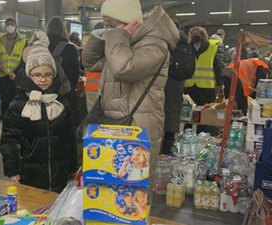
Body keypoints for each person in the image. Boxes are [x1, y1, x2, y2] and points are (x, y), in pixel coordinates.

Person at [82, 0, 179, 202]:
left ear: (128, 20)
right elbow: (90, 62)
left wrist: (117, 35)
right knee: (108, 192)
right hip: (112, 124)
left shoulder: (155, 43)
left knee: (133, 196)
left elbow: (123, 68)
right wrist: (103, 35)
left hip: (137, 128)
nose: (108, 29)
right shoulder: (123, 41)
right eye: (105, 24)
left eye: (111, 24)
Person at [0, 31, 77, 193]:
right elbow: (9, 141)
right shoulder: (19, 104)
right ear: (29, 75)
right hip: (29, 175)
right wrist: (13, 170)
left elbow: (70, 138)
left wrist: (72, 168)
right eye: (38, 75)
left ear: (54, 75)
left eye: (48, 74)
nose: (43, 79)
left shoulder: (61, 103)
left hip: (59, 174)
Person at [162, 20, 195, 155]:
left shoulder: (167, 41)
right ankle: (166, 153)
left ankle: (158, 154)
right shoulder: (185, 43)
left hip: (164, 83)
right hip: (177, 86)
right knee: (171, 119)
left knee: (159, 119)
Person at [46, 16, 81, 126]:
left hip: (45, 92)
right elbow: (76, 72)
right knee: (68, 123)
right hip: (65, 92)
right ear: (63, 29)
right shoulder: (70, 48)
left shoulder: (41, 47)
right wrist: (71, 87)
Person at [0, 18, 27, 115]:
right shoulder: (0, 40)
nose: (9, 26)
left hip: (17, 77)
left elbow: (24, 59)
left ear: (16, 26)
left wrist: (15, 73)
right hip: (3, 77)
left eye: (11, 24)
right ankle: (6, 123)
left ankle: (17, 124)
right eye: (7, 24)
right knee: (5, 101)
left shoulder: (23, 40)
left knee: (17, 102)